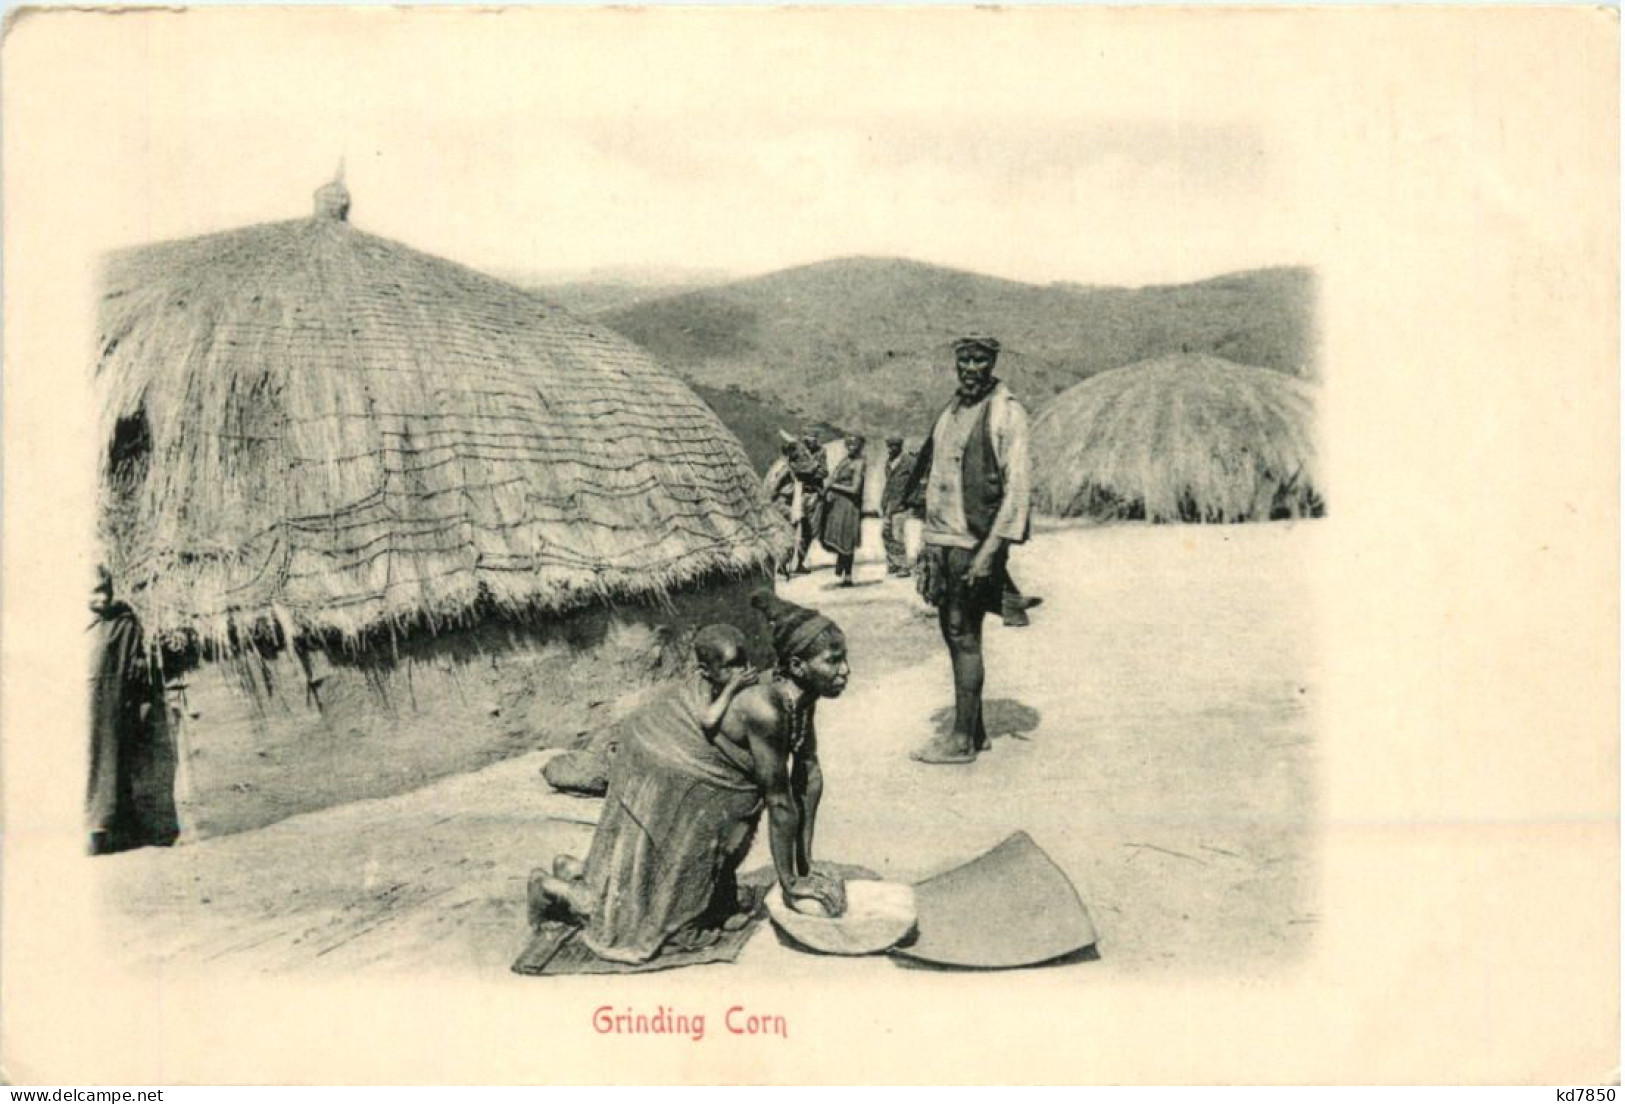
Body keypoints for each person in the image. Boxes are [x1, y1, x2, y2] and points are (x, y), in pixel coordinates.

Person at [530, 594, 850, 964]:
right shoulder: (767, 708)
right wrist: (792, 884)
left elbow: (808, 779)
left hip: (678, 747)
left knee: (723, 828)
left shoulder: (798, 698)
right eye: (834, 661)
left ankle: (581, 873)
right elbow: (778, 798)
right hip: (667, 754)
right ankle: (558, 892)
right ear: (798, 665)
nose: (845, 671)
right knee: (673, 885)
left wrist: (805, 866)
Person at [901, 334, 1032, 765]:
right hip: (942, 542)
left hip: (971, 542)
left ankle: (960, 742)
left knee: (963, 634)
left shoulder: (1006, 413)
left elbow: (1016, 493)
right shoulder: (951, 411)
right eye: (965, 360)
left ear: (991, 363)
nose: (971, 368)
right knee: (956, 635)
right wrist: (922, 539)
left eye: (979, 360)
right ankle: (974, 733)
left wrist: (989, 553)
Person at [540, 622, 756, 798]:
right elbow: (708, 720)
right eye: (730, 667)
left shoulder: (730, 683)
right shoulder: (701, 685)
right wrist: (732, 688)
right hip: (627, 740)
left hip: (657, 741)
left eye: (742, 663)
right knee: (587, 774)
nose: (740, 671)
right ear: (705, 671)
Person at [87, 567, 181, 855]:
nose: (101, 597)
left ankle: (102, 834)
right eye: (94, 591)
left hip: (109, 712)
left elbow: (135, 664)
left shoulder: (123, 622)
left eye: (105, 590)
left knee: (107, 769)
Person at [820, 435, 866, 586]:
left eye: (855, 444)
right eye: (849, 444)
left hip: (849, 505)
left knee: (847, 539)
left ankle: (848, 576)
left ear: (860, 446)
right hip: (838, 505)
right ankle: (842, 568)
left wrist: (833, 486)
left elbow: (855, 489)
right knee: (839, 538)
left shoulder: (859, 463)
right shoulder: (845, 460)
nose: (851, 447)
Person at [788, 433, 829, 574]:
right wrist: (812, 468)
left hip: (814, 494)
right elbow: (795, 470)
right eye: (807, 439)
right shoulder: (797, 450)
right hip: (797, 494)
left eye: (813, 439)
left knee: (810, 530)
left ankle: (800, 562)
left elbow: (823, 472)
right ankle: (785, 563)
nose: (810, 442)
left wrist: (809, 470)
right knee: (792, 527)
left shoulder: (821, 451)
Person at [879, 435, 917, 578]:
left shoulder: (910, 462)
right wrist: (883, 502)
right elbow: (889, 484)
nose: (891, 449)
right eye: (889, 446)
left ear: (900, 447)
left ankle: (904, 567)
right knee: (886, 533)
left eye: (894, 446)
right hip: (889, 503)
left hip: (902, 504)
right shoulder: (889, 462)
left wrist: (911, 501)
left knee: (898, 535)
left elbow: (916, 482)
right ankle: (893, 562)